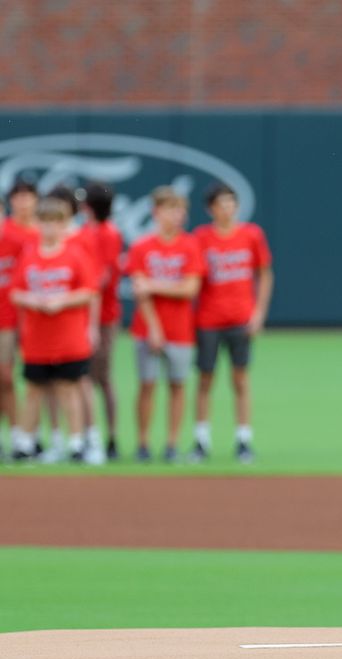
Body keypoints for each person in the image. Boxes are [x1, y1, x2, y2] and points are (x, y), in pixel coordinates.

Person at [7, 196, 97, 462]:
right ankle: (25, 442)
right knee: (34, 389)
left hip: (68, 337)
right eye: (44, 223)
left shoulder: (74, 254)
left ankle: (77, 443)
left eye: (56, 223)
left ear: (64, 225)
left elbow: (89, 291)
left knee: (68, 388)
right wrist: (33, 299)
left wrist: (62, 300)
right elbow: (16, 292)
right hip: (37, 337)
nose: (50, 229)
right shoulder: (29, 255)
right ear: (38, 225)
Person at [189, 182, 273, 463]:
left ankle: (244, 440)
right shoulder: (201, 237)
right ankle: (201, 440)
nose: (226, 209)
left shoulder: (251, 235)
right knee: (205, 380)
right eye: (220, 204)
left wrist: (259, 312)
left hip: (240, 317)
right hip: (209, 320)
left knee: (240, 379)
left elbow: (265, 273)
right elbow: (193, 278)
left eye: (230, 203)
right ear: (210, 209)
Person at [127, 186, 203, 462]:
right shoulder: (142, 247)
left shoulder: (190, 244)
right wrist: (155, 328)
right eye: (171, 208)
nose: (178, 215)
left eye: (181, 209)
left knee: (177, 385)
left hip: (181, 329)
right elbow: (139, 292)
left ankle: (172, 443)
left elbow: (190, 289)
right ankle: (143, 444)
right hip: (147, 330)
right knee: (146, 385)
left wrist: (154, 284)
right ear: (156, 212)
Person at [77, 182, 125, 461]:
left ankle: (110, 438)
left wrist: (80, 291)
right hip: (80, 315)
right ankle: (87, 435)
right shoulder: (85, 232)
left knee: (100, 378)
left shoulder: (108, 233)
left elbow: (103, 277)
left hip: (103, 317)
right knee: (82, 377)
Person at [0, 179, 40, 458]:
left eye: (28, 195)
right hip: (5, 316)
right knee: (5, 377)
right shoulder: (5, 232)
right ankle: (16, 433)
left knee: (38, 378)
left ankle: (31, 437)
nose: (23, 201)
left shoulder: (43, 233)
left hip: (37, 317)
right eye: (18, 196)